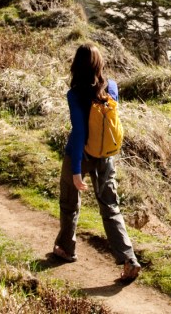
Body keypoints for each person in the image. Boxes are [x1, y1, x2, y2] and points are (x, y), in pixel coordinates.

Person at [52, 43, 142, 283]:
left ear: (76, 66)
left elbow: (80, 131)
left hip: (79, 154)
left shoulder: (74, 94)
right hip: (105, 155)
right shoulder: (111, 87)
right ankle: (128, 259)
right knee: (111, 207)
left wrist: (76, 170)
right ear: (99, 64)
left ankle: (66, 248)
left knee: (69, 203)